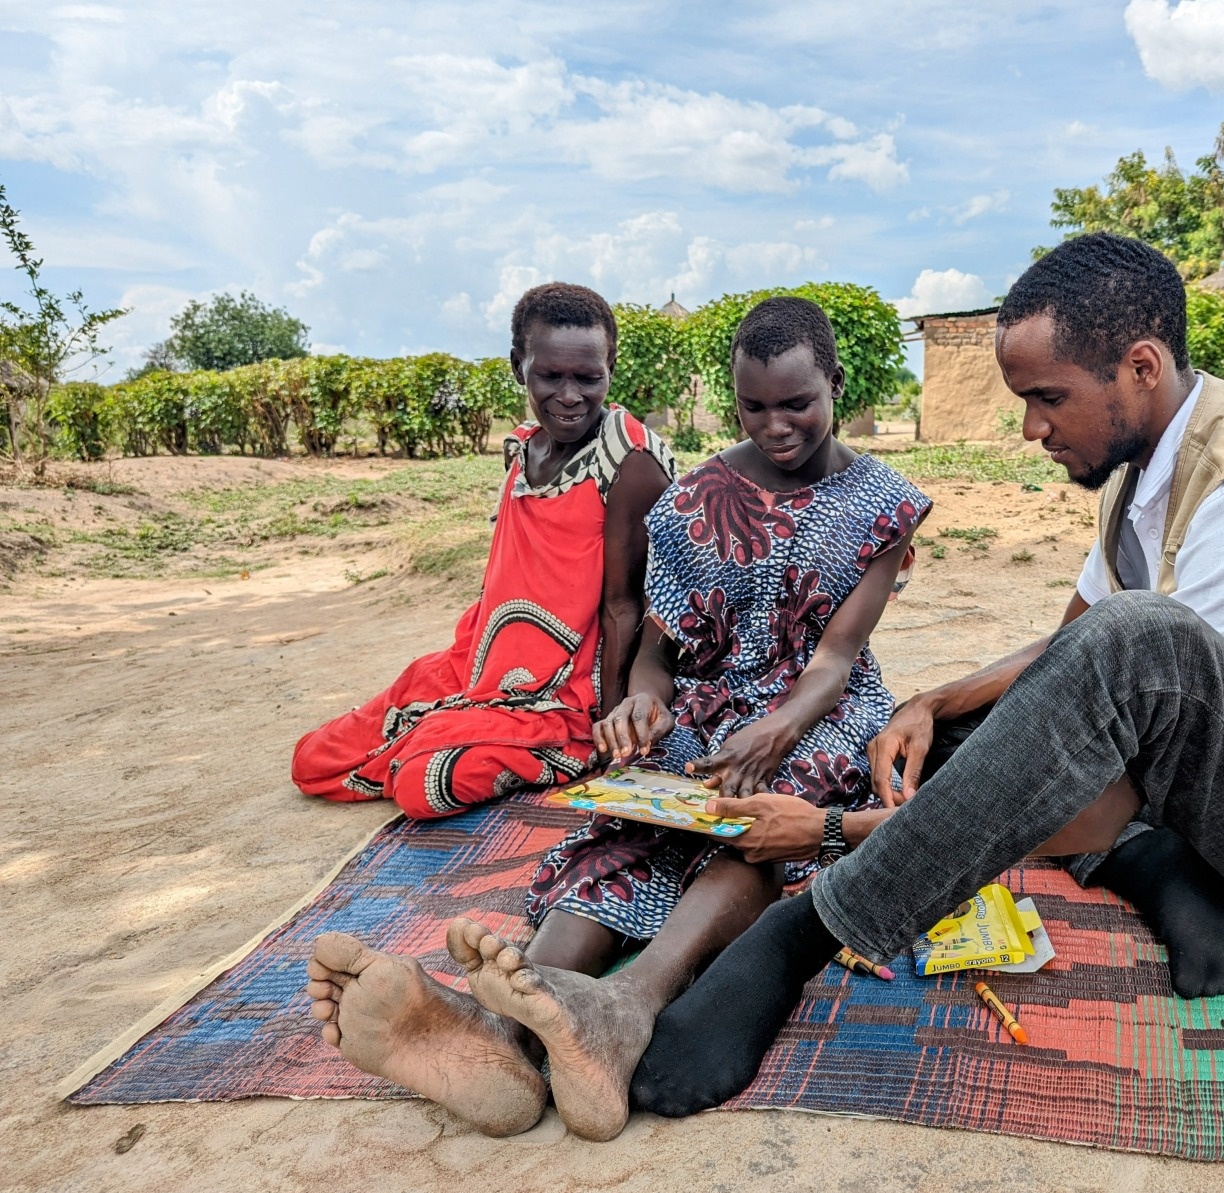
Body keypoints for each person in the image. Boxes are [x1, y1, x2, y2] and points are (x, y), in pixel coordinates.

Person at [623, 232, 1224, 1119]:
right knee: (971, 731)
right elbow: (1065, 654)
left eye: (1047, 397)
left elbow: (1099, 779)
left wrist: (832, 830)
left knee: (1134, 649)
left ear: (1140, 369)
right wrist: (933, 702)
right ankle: (1155, 863)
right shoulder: (1141, 463)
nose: (1030, 427)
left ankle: (801, 940)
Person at [305, 296, 930, 1141]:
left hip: (816, 705)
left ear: (837, 385)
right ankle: (504, 1030)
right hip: (708, 697)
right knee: (633, 814)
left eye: (798, 403)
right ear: (734, 398)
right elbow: (656, 651)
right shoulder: (699, 496)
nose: (776, 424)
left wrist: (777, 728)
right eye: (755, 406)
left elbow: (834, 659)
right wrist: (643, 699)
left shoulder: (883, 503)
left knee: (757, 818)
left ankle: (628, 1005)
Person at [289, 283, 673, 820]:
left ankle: (522, 746)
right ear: (519, 365)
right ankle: (447, 727)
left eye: (588, 377)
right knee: (313, 761)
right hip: (479, 666)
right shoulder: (521, 449)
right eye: (550, 376)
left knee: (424, 784)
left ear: (610, 366)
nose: (569, 395)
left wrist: (605, 734)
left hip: (566, 696)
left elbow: (625, 606)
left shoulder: (628, 458)